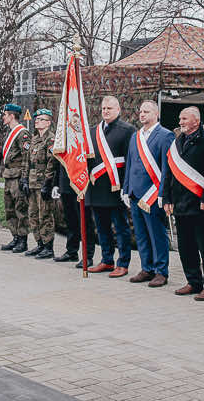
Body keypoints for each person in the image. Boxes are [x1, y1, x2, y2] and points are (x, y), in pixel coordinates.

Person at [161, 106, 204, 301]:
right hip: (180, 203)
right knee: (186, 247)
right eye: (180, 119)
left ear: (196, 120)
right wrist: (167, 198)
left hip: (200, 204)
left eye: (184, 119)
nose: (181, 122)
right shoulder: (177, 141)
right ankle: (193, 281)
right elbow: (168, 172)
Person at [122, 100, 175, 288]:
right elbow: (130, 164)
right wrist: (126, 188)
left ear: (156, 114)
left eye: (146, 111)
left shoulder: (165, 135)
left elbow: (167, 168)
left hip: (153, 195)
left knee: (157, 234)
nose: (142, 114)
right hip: (136, 193)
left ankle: (161, 271)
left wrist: (163, 193)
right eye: (141, 111)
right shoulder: (135, 136)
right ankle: (147, 268)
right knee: (142, 234)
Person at [85, 96, 134, 277]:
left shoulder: (127, 130)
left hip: (116, 187)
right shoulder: (93, 131)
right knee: (102, 227)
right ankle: (106, 260)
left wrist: (127, 187)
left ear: (118, 110)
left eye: (110, 108)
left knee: (120, 228)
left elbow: (130, 160)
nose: (106, 111)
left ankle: (123, 263)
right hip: (97, 188)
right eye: (104, 108)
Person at [23, 109, 57, 259]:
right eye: (36, 119)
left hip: (42, 182)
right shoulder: (34, 139)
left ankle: (48, 247)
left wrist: (47, 183)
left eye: (41, 119)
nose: (37, 121)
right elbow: (27, 162)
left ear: (48, 122)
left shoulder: (50, 139)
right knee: (33, 215)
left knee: (45, 216)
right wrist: (24, 179)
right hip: (32, 183)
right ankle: (39, 244)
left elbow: (52, 162)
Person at [0, 103, 31, 253]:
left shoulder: (22, 133)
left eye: (5, 115)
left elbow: (26, 158)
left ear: (12, 116)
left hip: (18, 176)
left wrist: (25, 178)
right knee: (9, 209)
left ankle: (23, 239)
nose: (3, 117)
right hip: (8, 175)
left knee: (20, 209)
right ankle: (15, 237)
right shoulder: (9, 133)